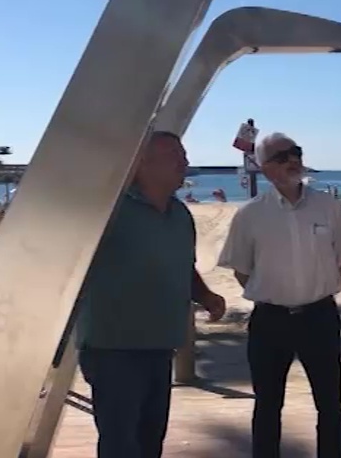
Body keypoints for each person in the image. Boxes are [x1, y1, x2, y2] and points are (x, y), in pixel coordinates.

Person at [74, 130, 227, 458]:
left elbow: (183, 267)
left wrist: (206, 296)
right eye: (174, 155)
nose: (184, 162)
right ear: (142, 164)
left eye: (184, 155)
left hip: (160, 347)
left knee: (149, 442)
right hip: (112, 349)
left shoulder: (180, 215)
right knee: (120, 445)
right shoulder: (109, 212)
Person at [217, 132, 341, 458]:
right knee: (268, 406)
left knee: (330, 405)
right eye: (282, 157)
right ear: (265, 168)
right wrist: (277, 291)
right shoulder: (250, 215)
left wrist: (312, 287)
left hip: (320, 317)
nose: (292, 161)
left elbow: (340, 261)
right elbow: (241, 269)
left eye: (295, 152)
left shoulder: (328, 206)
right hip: (270, 321)